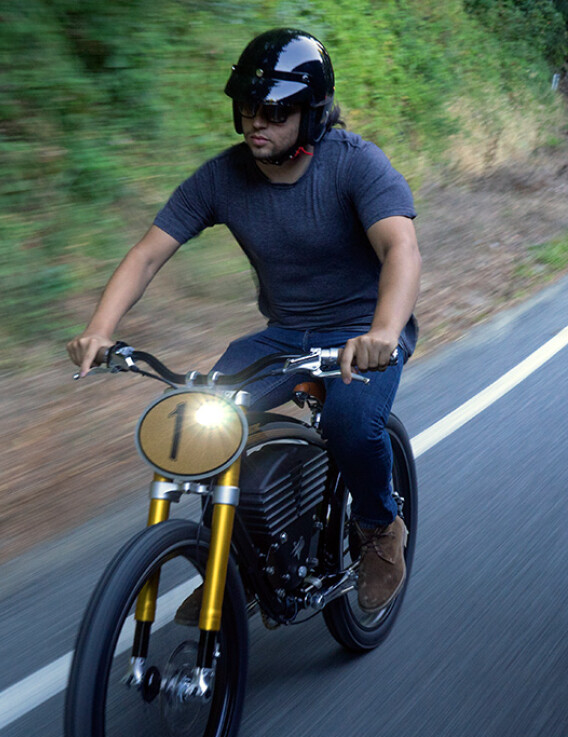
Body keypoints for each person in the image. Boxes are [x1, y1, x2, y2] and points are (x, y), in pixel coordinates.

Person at [66, 28, 421, 620]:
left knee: (351, 423)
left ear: (311, 114)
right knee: (204, 422)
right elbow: (148, 254)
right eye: (249, 107)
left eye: (276, 111)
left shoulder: (356, 164)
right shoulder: (221, 177)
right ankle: (236, 565)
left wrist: (383, 332)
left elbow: (400, 249)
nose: (257, 121)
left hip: (362, 333)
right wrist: (100, 329)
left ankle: (380, 527)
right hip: (283, 335)